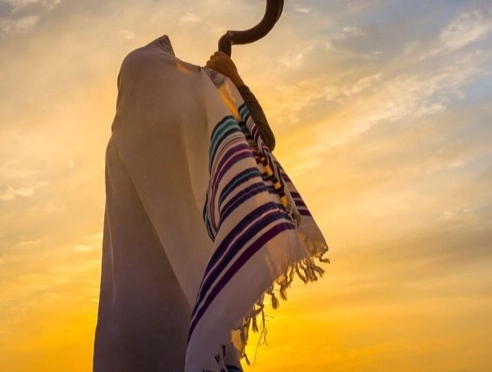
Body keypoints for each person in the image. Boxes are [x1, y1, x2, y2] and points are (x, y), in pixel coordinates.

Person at [94, 36, 327, 372]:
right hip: (191, 317)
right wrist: (230, 81)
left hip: (127, 329)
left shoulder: (119, 145)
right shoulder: (178, 132)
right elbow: (260, 140)